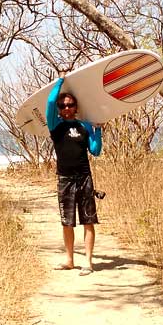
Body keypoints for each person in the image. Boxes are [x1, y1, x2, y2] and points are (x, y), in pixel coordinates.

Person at [46, 78, 102, 276]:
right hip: (65, 179)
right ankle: (69, 260)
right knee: (67, 222)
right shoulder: (55, 126)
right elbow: (50, 103)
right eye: (63, 106)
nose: (66, 108)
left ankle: (88, 263)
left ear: (76, 107)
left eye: (70, 105)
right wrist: (60, 80)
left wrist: (98, 130)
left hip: (84, 178)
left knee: (88, 220)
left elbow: (95, 151)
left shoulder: (84, 126)